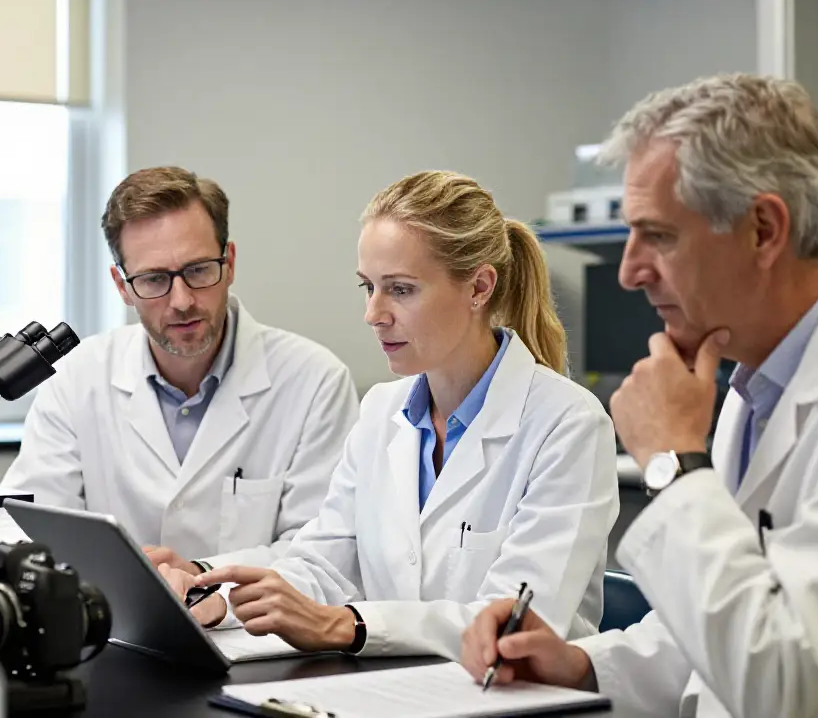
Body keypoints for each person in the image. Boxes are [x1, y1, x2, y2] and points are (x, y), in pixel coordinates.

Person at [461, 74, 818, 716]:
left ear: (764, 230)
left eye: (657, 235)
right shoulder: (756, 380)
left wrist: (673, 462)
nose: (631, 270)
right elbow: (727, 614)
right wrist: (582, 664)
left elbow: (783, 676)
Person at [158, 170, 619, 659]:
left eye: (400, 290)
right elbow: (325, 564)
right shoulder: (382, 410)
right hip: (396, 691)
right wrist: (215, 599)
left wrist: (349, 625)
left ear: (479, 287)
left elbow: (520, 621)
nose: (374, 313)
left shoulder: (567, 424)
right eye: (368, 287)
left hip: (518, 701)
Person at [0, 166, 359, 573]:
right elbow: (18, 518)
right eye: (154, 279)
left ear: (228, 263)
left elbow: (322, 552)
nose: (181, 300)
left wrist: (202, 575)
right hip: (112, 628)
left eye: (197, 270)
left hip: (253, 633)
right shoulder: (80, 378)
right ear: (122, 286)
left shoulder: (314, 381)